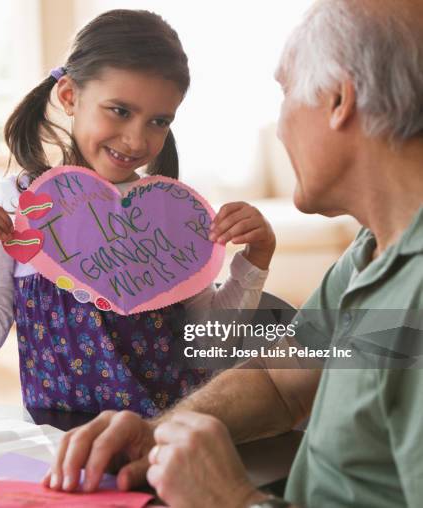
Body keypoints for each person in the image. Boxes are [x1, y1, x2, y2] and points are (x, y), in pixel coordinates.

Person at [44, 0, 423, 506]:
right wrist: (158, 431)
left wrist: (233, 499)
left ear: (338, 100)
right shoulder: (373, 253)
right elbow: (282, 381)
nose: (282, 127)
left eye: (285, 96)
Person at [0, 9, 276, 418]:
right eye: (120, 110)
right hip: (60, 446)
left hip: (164, 441)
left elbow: (209, 345)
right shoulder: (19, 203)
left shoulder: (172, 211)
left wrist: (255, 261)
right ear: (68, 96)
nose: (136, 139)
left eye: (159, 121)